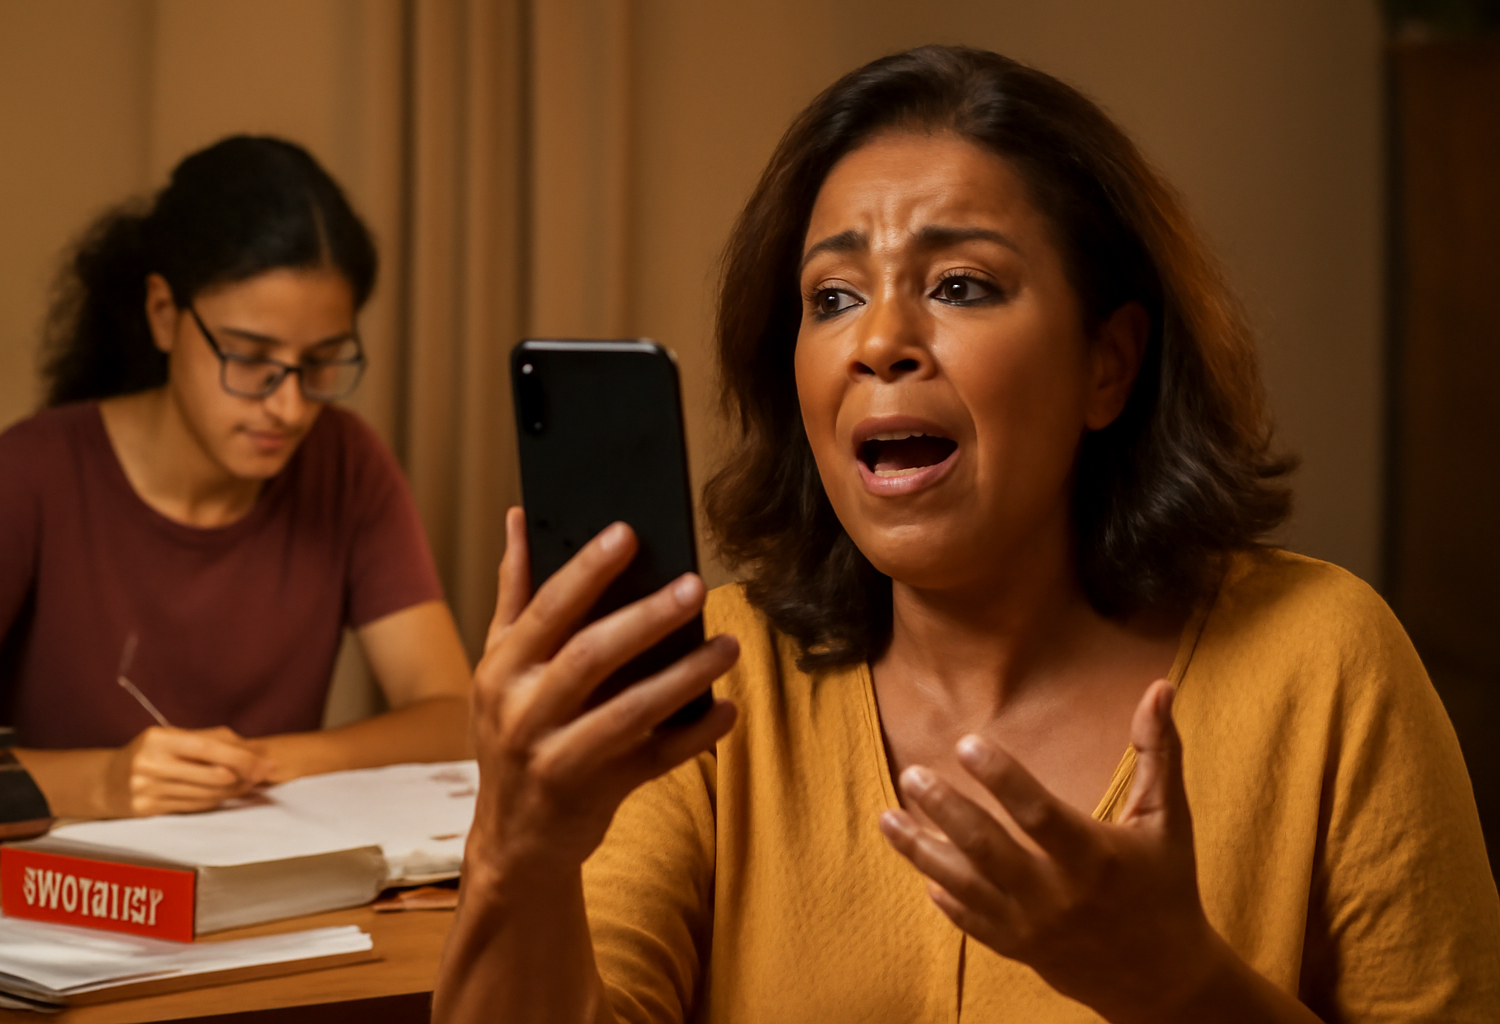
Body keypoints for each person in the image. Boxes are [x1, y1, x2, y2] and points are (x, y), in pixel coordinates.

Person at [434, 46, 1500, 1023]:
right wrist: (513, 854)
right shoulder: (715, 685)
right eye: (834, 295)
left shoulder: (1326, 661)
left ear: (1108, 365)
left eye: (960, 286)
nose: (881, 341)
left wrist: (1183, 987)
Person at [0, 136, 472, 820]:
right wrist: (107, 784)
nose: (289, 408)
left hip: (279, 903)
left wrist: (267, 763)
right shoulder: (26, 476)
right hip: (52, 903)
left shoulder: (346, 463)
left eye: (321, 362)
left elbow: (454, 718)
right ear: (165, 315)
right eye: (251, 359)